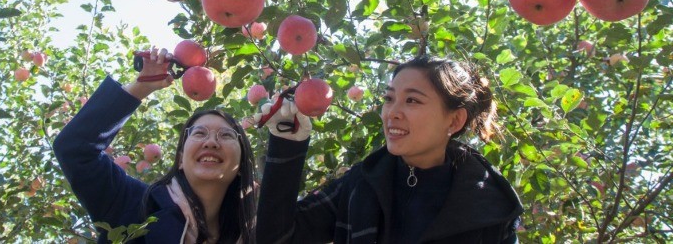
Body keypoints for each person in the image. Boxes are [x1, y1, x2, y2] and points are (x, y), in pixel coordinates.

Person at [255, 55, 523, 243]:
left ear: (454, 120)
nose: (392, 113)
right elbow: (277, 237)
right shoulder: (362, 183)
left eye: (412, 100)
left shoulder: (491, 209)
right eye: (389, 98)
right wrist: (287, 146)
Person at [53, 48, 257, 244]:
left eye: (226, 135)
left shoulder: (254, 233)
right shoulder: (135, 204)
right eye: (199, 133)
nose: (211, 142)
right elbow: (75, 148)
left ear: (240, 164)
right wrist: (142, 86)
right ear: (180, 161)